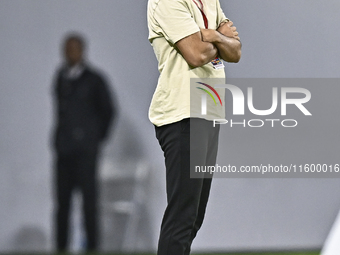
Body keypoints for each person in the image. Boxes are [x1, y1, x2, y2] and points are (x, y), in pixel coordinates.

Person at [147, 0, 241, 254]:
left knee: (193, 219)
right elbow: (196, 53)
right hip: (182, 113)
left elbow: (236, 52)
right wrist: (220, 38)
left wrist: (211, 36)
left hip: (209, 113)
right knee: (182, 217)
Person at [52, 33, 115, 252]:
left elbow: (108, 111)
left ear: (82, 51)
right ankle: (61, 246)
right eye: (66, 49)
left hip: (86, 152)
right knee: (62, 204)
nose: (69, 53)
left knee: (89, 203)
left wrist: (95, 138)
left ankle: (92, 246)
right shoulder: (60, 77)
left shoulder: (94, 80)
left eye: (73, 49)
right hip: (64, 151)